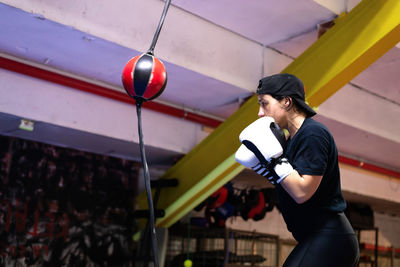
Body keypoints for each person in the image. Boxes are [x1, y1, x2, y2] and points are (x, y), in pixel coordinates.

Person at [235, 73, 360, 267]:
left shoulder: (313, 134)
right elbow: (290, 188)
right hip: (317, 237)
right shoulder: (290, 141)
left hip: (330, 236)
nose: (260, 112)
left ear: (286, 101)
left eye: (264, 103)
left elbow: (302, 192)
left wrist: (276, 161)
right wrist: (266, 167)